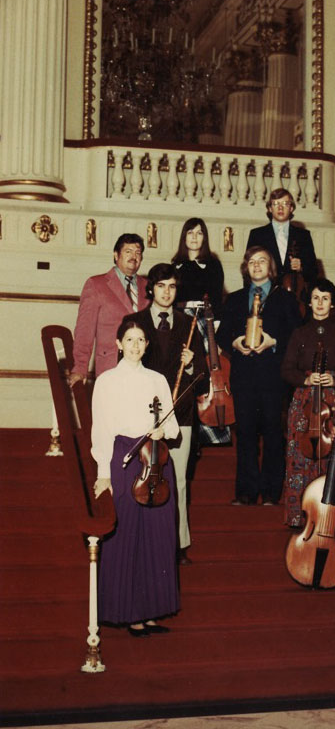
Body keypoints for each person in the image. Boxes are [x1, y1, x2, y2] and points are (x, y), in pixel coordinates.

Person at [91, 319, 180, 637]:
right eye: (129, 339)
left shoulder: (157, 380)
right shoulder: (106, 381)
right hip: (124, 459)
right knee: (127, 534)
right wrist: (104, 474)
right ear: (118, 344)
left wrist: (161, 430)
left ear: (147, 344)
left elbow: (173, 426)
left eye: (141, 339)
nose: (135, 345)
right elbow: (101, 429)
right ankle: (126, 613)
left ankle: (152, 612)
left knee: (157, 534)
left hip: (156, 459)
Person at [125, 263, 210, 566]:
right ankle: (142, 539)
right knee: (141, 477)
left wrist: (190, 364)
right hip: (140, 412)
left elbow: (204, 372)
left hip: (179, 414)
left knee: (178, 480)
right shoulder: (133, 321)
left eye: (172, 286)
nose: (167, 292)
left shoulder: (189, 324)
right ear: (151, 289)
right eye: (161, 286)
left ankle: (178, 543)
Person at [216, 246, 301, 505]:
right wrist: (235, 342)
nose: (256, 265)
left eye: (262, 261)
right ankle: (246, 492)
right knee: (246, 434)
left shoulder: (285, 299)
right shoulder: (234, 299)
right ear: (245, 267)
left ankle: (272, 493)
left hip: (273, 376)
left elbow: (296, 336)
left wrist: (273, 342)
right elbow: (221, 335)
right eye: (251, 261)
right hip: (243, 376)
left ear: (271, 267)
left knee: (274, 434)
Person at [281, 278, 335, 527]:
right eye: (316, 298)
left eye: (325, 298)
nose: (320, 303)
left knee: (334, 457)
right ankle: (299, 517)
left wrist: (334, 378)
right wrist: (307, 378)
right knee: (300, 457)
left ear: (332, 303)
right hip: (304, 403)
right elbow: (286, 370)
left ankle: (333, 518)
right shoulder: (299, 333)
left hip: (334, 403)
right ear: (309, 302)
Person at [172, 217, 228, 445]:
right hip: (183, 321)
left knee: (206, 371)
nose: (194, 237)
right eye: (190, 233)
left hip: (206, 322)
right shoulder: (175, 265)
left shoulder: (213, 264)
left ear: (205, 237)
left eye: (199, 233)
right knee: (183, 371)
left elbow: (217, 299)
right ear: (184, 237)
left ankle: (210, 429)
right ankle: (183, 429)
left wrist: (215, 328)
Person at [69, 234, 148, 386]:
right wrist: (80, 367)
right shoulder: (96, 285)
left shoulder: (148, 287)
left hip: (143, 369)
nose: (134, 256)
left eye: (138, 253)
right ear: (116, 255)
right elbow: (84, 331)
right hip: (110, 368)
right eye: (128, 251)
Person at [247, 188, 318, 297]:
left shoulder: (303, 235)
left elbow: (314, 271)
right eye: (275, 204)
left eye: (285, 203)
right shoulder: (257, 235)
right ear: (270, 208)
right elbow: (247, 271)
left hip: (293, 296)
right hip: (266, 295)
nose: (280, 207)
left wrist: (301, 267)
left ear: (291, 208)